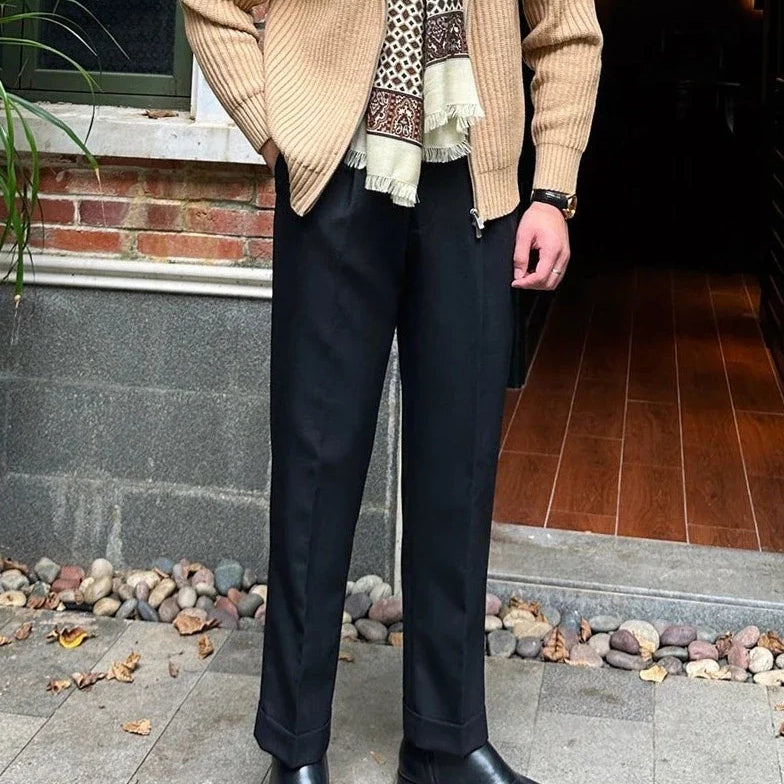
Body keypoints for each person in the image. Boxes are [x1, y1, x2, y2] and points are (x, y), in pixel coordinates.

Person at [180, 1, 602, 782]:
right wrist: (278, 132)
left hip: (475, 192)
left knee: (459, 470)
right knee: (316, 463)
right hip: (336, 178)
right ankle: (296, 746)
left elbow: (568, 28)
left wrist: (553, 190)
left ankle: (445, 741)